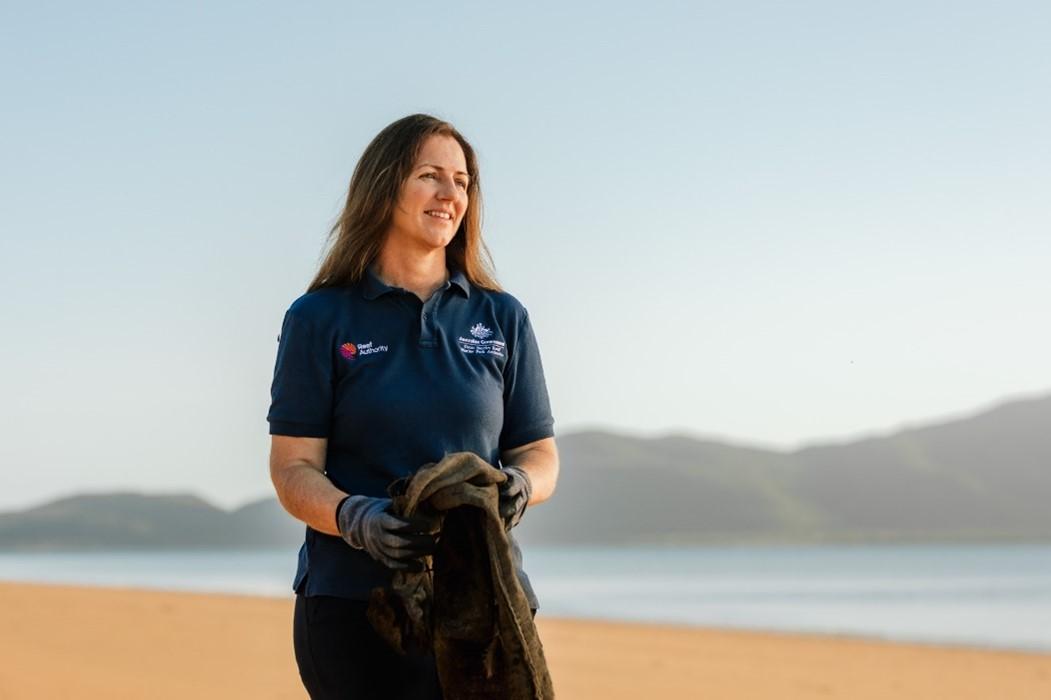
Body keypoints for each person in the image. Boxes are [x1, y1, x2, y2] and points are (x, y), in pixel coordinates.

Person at [266, 113, 559, 700]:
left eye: (463, 181)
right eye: (430, 175)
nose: (451, 194)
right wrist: (358, 519)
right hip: (354, 607)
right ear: (385, 186)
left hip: (484, 608)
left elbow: (538, 451)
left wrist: (521, 485)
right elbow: (292, 467)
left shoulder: (503, 318)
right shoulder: (320, 317)